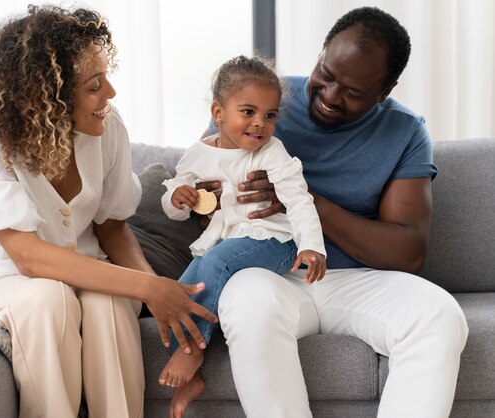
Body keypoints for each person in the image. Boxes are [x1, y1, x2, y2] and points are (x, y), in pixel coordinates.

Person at [200, 6, 469, 418]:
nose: (329, 96)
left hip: (355, 280)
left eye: (353, 92)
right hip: (272, 276)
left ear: (384, 90)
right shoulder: (263, 102)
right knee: (246, 297)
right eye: (325, 74)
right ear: (321, 52)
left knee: (439, 314)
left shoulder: (405, 132)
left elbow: (407, 252)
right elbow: (206, 198)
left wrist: (304, 200)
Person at [0, 5, 217, 418]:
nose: (109, 93)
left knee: (108, 304)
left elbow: (112, 229)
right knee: (48, 300)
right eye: (95, 85)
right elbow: (28, 255)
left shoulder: (108, 128)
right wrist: (147, 288)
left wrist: (156, 288)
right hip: (5, 282)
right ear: (49, 95)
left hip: (90, 271)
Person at [158, 56, 327, 417]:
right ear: (218, 112)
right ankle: (195, 378)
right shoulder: (198, 153)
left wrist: (312, 246)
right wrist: (178, 198)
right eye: (248, 111)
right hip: (225, 241)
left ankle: (193, 351)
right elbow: (174, 203)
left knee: (217, 261)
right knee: (182, 289)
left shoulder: (273, 152)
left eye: (269, 115)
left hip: (274, 243)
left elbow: (299, 200)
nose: (260, 124)